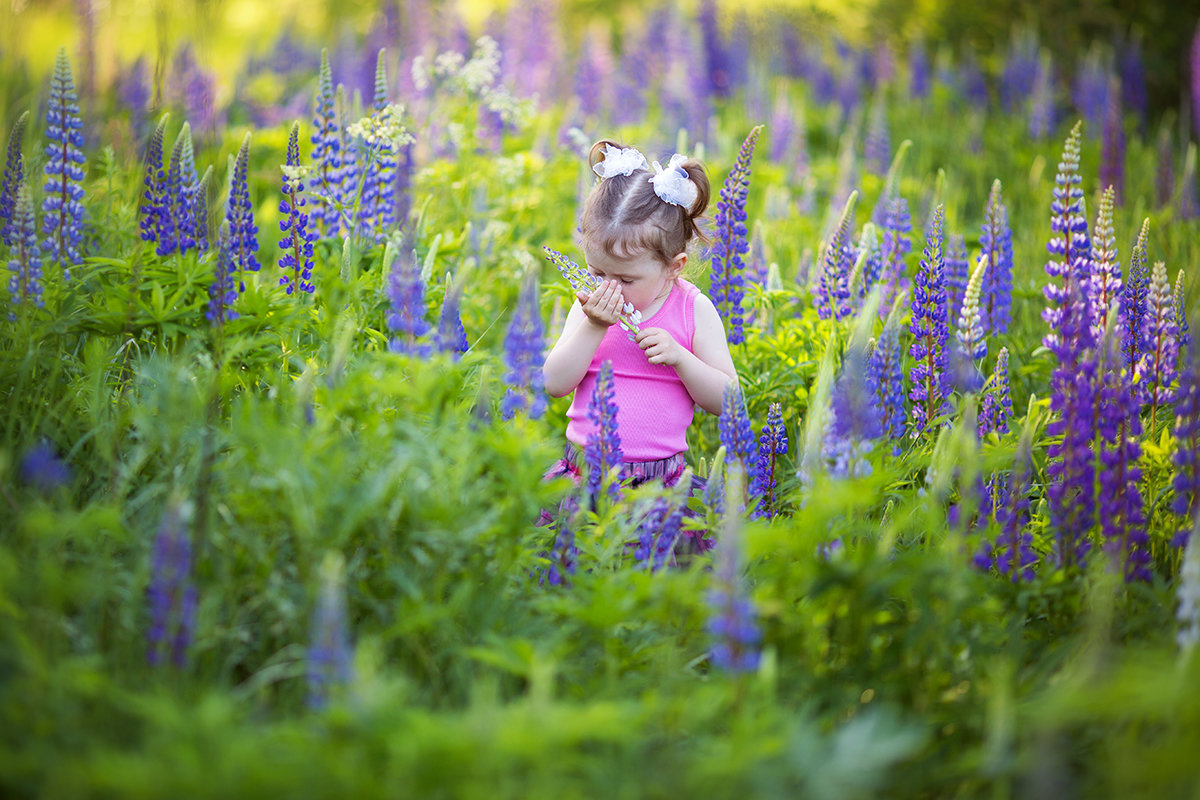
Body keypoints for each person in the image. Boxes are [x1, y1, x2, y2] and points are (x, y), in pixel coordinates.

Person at [540, 139, 739, 556]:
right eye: (598, 272)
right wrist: (594, 326)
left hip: (659, 486)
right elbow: (555, 382)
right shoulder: (590, 306)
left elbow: (728, 399)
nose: (609, 288)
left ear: (674, 267)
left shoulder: (693, 310)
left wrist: (682, 359)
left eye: (626, 279)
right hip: (584, 477)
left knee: (655, 582)